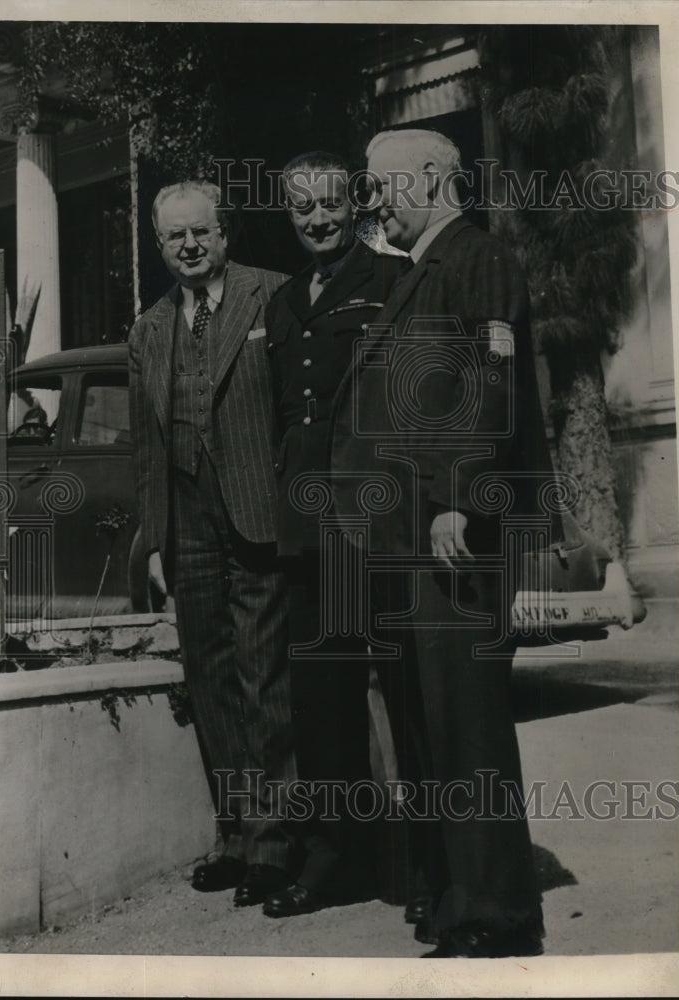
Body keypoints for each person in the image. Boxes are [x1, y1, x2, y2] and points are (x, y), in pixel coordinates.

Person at [330, 129, 560, 957]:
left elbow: (489, 385)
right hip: (409, 541)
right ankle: (448, 895)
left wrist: (459, 498)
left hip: (455, 535)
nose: (373, 201)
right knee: (427, 726)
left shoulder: (476, 257)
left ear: (430, 178)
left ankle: (497, 911)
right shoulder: (420, 268)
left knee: (467, 730)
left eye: (381, 185)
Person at [128, 180, 295, 908]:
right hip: (186, 522)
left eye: (202, 232)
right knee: (210, 680)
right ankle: (234, 834)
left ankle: (277, 843)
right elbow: (146, 449)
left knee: (266, 676)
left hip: (258, 513)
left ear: (225, 235)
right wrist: (158, 542)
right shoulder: (149, 328)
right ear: (160, 245)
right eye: (175, 237)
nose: (190, 246)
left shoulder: (276, 296)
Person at [260, 152, 405, 918]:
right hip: (308, 531)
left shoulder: (390, 283)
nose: (317, 220)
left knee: (404, 692)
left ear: (357, 205)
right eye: (302, 209)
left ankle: (420, 861)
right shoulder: (284, 304)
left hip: (373, 523)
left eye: (329, 204)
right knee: (321, 702)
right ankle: (332, 857)